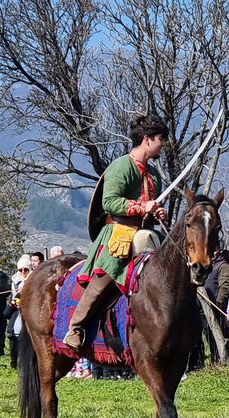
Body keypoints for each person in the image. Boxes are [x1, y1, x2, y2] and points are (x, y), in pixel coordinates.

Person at [68, 115, 168, 351]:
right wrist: (143, 206)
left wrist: (157, 213)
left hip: (146, 232)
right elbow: (110, 202)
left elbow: (149, 207)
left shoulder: (154, 175)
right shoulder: (121, 166)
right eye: (161, 139)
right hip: (119, 233)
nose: (163, 144)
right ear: (147, 139)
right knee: (108, 274)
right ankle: (76, 326)